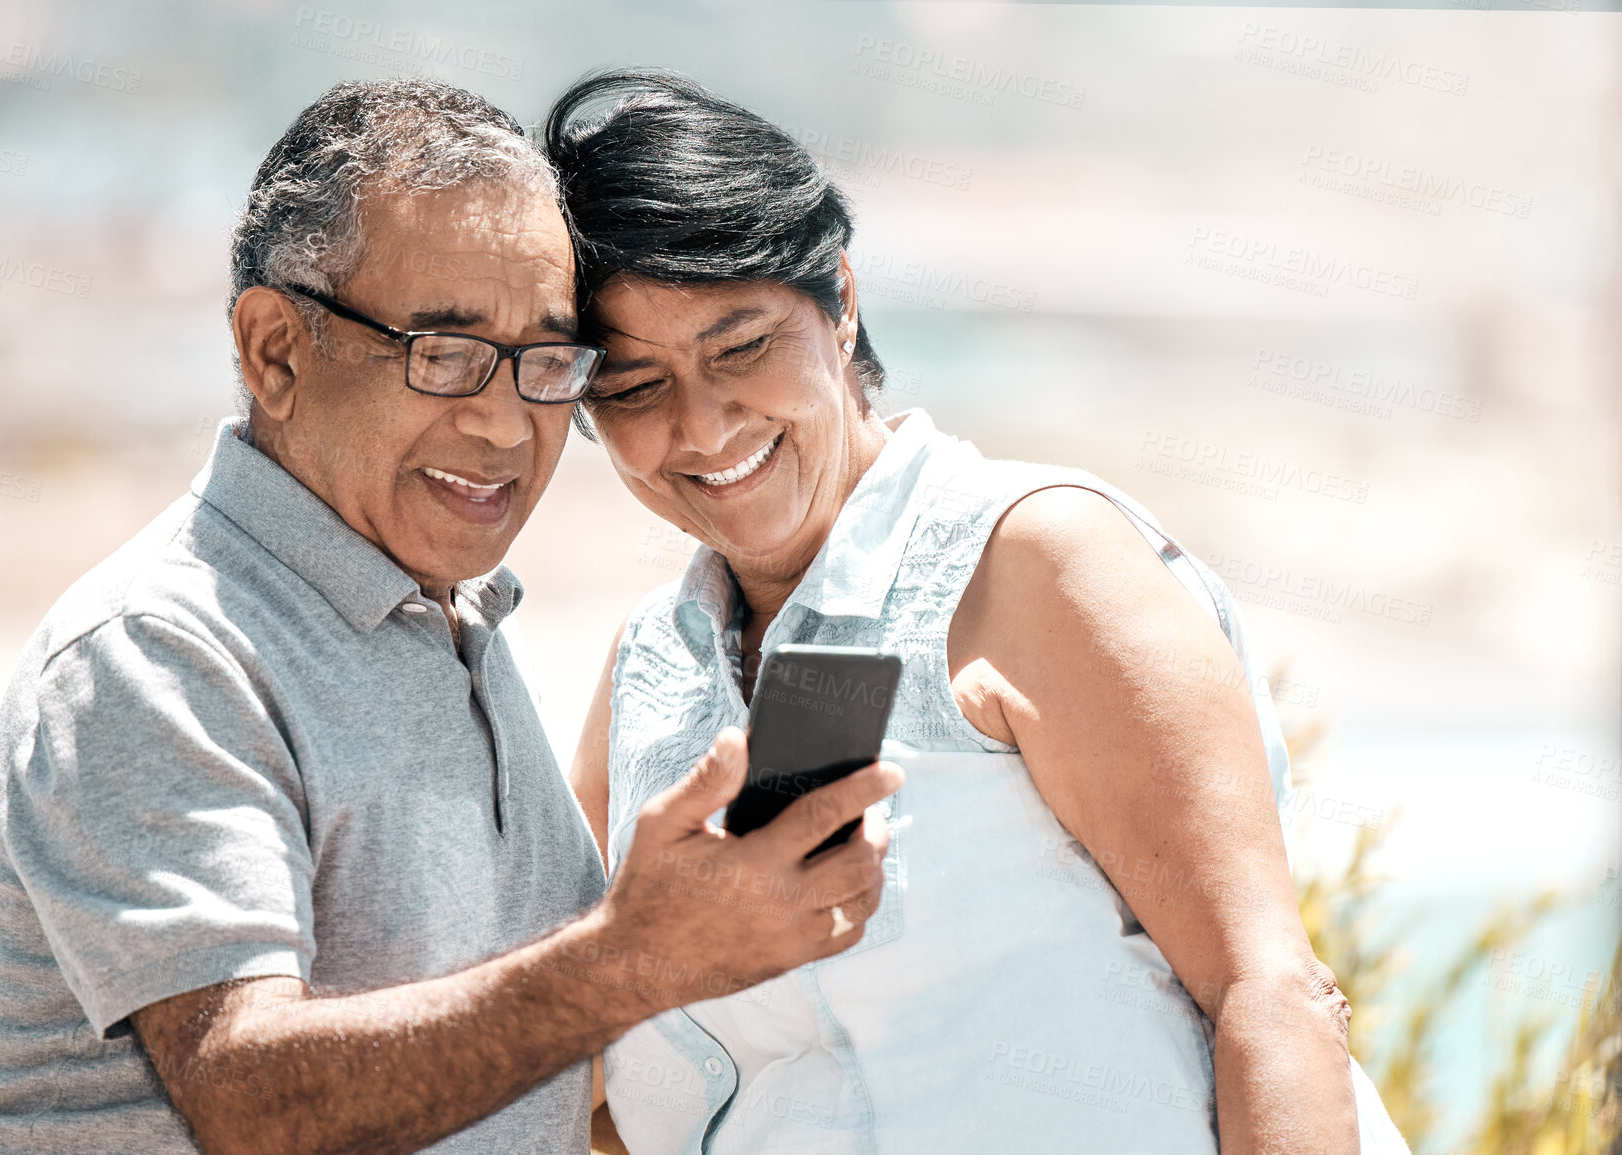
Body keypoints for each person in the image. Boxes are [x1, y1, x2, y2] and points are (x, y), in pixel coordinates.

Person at [0, 78, 898, 1155]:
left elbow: (537, 1076)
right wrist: (633, 958)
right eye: (442, 353)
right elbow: (251, 1100)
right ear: (275, 353)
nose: (502, 423)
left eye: (544, 361)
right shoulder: (157, 648)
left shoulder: (456, 615)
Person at [549, 70, 1413, 1153]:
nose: (706, 424)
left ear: (840, 299)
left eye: (741, 347)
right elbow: (587, 1091)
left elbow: (1267, 994)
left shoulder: (1031, 559)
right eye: (632, 388)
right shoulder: (647, 678)